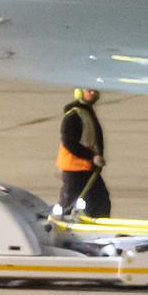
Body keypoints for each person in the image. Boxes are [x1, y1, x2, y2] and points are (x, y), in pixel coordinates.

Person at [56, 87, 110, 218]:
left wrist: (96, 158)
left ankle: (98, 227)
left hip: (86, 168)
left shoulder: (86, 112)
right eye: (89, 90)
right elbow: (69, 142)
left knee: (100, 202)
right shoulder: (74, 115)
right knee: (70, 204)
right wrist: (92, 157)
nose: (93, 93)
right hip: (75, 169)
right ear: (79, 92)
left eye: (95, 91)